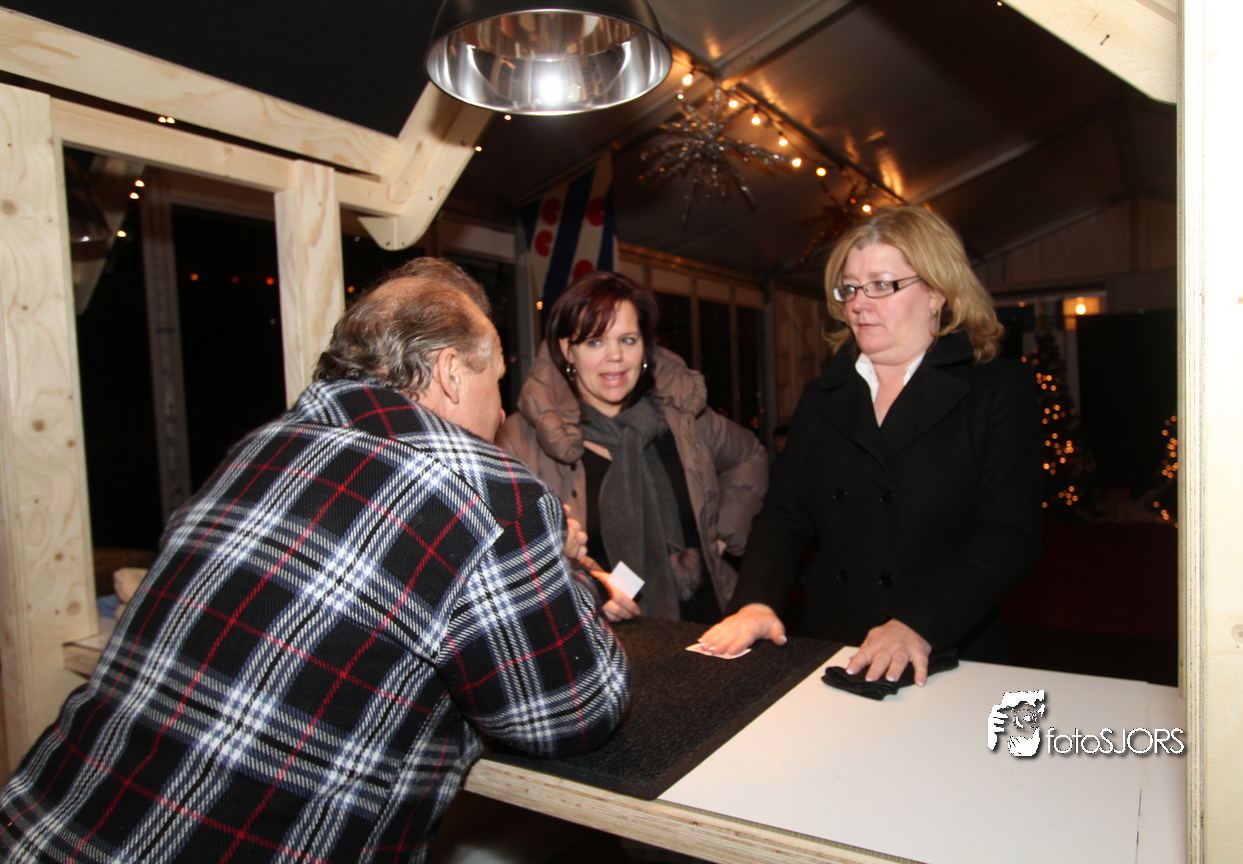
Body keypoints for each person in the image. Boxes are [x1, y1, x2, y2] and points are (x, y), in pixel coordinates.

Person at [0, 258, 629, 864]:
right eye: (495, 380)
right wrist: (562, 572)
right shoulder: (483, 486)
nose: (500, 410)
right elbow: (571, 712)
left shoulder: (255, 449)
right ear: (449, 373)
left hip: (41, 825)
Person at [700, 206, 1041, 685]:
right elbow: (783, 517)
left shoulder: (996, 389)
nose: (859, 304)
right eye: (850, 288)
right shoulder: (824, 396)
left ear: (938, 292)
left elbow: (1009, 534)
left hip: (946, 648)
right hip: (834, 646)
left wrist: (918, 622)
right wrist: (756, 602)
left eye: (882, 285)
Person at [497, 271, 768, 624]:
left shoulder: (681, 415)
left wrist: (718, 532)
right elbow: (501, 556)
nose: (615, 356)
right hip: (601, 638)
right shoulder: (522, 440)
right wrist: (581, 589)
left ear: (645, 347)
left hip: (711, 625)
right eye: (595, 342)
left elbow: (750, 455)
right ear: (567, 350)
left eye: (627, 339)